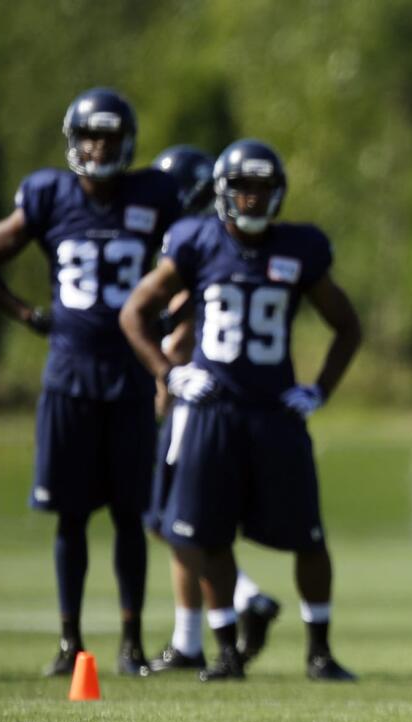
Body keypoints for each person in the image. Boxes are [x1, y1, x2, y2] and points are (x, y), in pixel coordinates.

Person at [0, 87, 181, 677]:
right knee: (72, 515)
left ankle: (131, 642)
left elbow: (197, 261)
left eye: (109, 136)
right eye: (90, 136)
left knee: (130, 514)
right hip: (69, 376)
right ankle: (70, 641)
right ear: (74, 141)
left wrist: (175, 326)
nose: (99, 146)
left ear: (128, 142)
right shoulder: (49, 195)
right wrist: (28, 314)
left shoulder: (153, 195)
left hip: (130, 377)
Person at [120, 139, 362, 681]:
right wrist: (168, 372)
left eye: (262, 189)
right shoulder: (195, 242)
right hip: (214, 409)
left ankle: (319, 651)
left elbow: (347, 325)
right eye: (242, 189)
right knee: (208, 536)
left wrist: (319, 389)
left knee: (309, 536)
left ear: (278, 194)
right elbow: (135, 311)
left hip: (275, 412)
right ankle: (227, 650)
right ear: (223, 193)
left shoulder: (301, 248)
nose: (252, 200)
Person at [143, 145, 282, 673]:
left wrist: (166, 380)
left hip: (197, 401)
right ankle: (236, 604)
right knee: (173, 520)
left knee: (178, 520)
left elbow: (184, 330)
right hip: (212, 397)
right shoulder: (218, 234)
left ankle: (201, 632)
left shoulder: (202, 238)